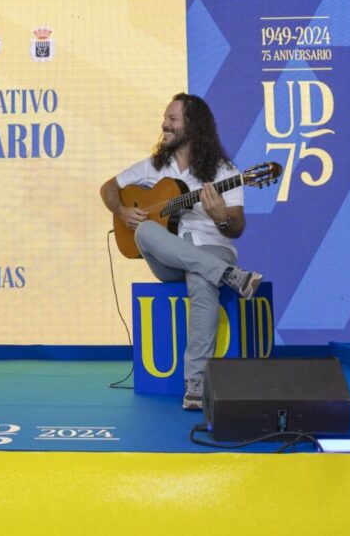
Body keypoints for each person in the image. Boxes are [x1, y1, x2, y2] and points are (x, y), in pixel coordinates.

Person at [100, 92, 262, 411]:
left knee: (202, 280)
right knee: (145, 230)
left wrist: (221, 217)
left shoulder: (224, 170)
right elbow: (108, 188)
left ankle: (195, 384)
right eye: (165, 118)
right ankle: (230, 276)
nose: (165, 124)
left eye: (172, 119)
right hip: (169, 259)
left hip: (213, 248)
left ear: (193, 125)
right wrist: (121, 210)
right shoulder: (153, 167)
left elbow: (236, 228)